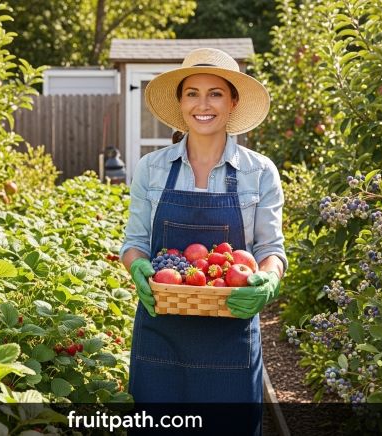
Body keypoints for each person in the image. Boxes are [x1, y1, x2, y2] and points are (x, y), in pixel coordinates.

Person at [119, 47, 287, 434]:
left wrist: (269, 279)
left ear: (232, 102)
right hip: (162, 332)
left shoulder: (260, 173)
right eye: (192, 93)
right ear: (180, 104)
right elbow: (134, 243)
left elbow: (270, 249)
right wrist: (138, 267)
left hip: (231, 335)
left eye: (215, 93)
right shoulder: (152, 168)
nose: (203, 104)